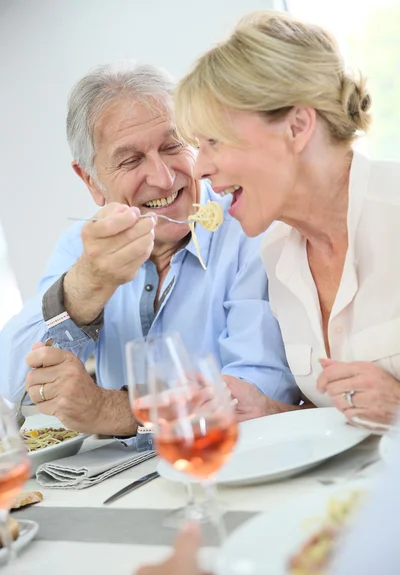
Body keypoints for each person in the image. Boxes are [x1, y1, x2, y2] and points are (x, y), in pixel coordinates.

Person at [0, 61, 299, 435]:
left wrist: (115, 411)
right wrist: (85, 288)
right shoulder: (80, 247)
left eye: (173, 145)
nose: (162, 178)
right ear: (90, 181)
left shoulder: (249, 229)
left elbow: (252, 396)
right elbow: (8, 382)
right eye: (131, 160)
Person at [173, 10, 400, 428]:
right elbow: (340, 414)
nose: (199, 169)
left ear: (297, 126)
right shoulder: (277, 253)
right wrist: (268, 411)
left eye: (213, 141)